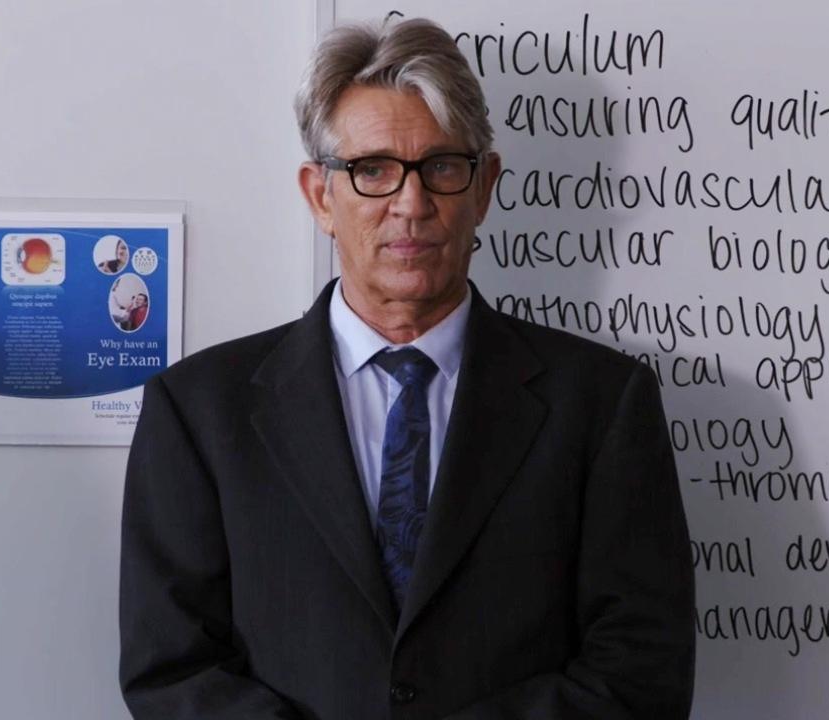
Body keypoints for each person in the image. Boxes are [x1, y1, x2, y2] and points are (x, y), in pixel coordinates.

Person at [119, 17, 694, 719]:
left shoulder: (603, 404)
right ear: (320, 196)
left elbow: (642, 668)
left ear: (484, 188)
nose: (412, 205)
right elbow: (172, 670)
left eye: (442, 168)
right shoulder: (199, 410)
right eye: (373, 170)